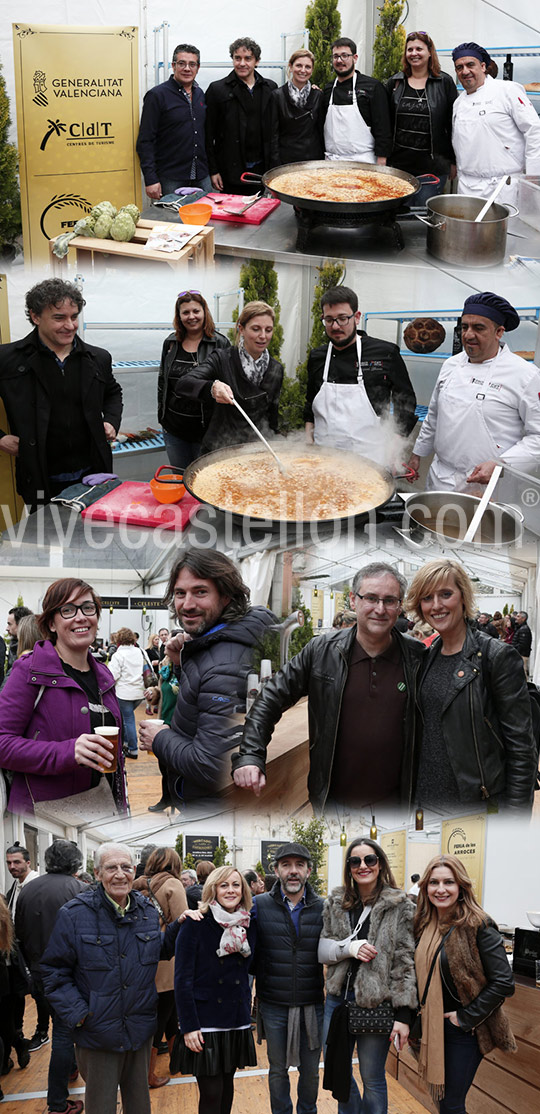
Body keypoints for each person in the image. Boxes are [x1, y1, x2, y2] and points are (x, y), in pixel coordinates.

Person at [232, 562, 425, 811]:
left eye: (390, 600)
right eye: (371, 598)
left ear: (399, 606)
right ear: (354, 601)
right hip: (333, 804)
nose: (380, 608)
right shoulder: (321, 651)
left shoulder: (417, 657)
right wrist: (250, 755)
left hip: (399, 805)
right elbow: (270, 696)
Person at [41, 842, 181, 1114]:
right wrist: (80, 1014)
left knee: (139, 1105)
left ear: (135, 870)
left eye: (126, 867)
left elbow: (158, 950)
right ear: (96, 873)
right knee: (101, 1107)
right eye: (111, 867)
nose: (120, 874)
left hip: (139, 1031)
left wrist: (180, 926)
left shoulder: (147, 913)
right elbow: (54, 972)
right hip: (97, 1033)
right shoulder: (74, 915)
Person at [139, 548, 275, 808]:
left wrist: (160, 739)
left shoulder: (224, 662)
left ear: (226, 596)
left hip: (208, 807)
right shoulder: (219, 641)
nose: (187, 604)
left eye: (200, 592)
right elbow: (201, 706)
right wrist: (182, 664)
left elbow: (211, 765)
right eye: (180, 593)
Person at [405, 559, 537, 811]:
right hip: (425, 803)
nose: (436, 605)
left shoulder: (495, 657)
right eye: (426, 598)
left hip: (474, 806)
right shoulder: (427, 656)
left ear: (463, 597)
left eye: (445, 594)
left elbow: (522, 749)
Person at [0, 578, 127, 818]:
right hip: (44, 819)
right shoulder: (29, 671)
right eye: (68, 610)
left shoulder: (104, 675)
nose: (81, 617)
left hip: (100, 810)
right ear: (51, 623)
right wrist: (69, 752)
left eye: (88, 608)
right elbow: (2, 742)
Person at [0, 279, 122, 508]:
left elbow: (113, 392)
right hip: (39, 477)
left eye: (74, 316)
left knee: (95, 536)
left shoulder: (98, 358)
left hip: (92, 474)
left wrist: (112, 421)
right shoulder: (7, 359)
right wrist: (0, 439)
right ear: (35, 317)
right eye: (59, 318)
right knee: (49, 537)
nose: (70, 325)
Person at [319, 837, 416, 1113]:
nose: (363, 865)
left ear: (380, 863)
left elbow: (405, 963)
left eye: (369, 859)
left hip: (377, 1003)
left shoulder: (400, 906)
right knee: (338, 1070)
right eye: (355, 861)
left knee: (372, 1078)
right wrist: (350, 949)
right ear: (349, 867)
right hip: (338, 1001)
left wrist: (403, 1015)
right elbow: (323, 950)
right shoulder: (337, 902)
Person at [413, 855, 516, 1113]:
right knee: (442, 1102)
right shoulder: (424, 924)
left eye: (449, 882)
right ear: (425, 887)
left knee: (451, 1105)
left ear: (461, 887)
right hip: (430, 1026)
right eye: (434, 882)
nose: (441, 889)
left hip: (464, 1031)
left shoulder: (477, 924)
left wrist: (465, 1017)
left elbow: (504, 982)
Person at [408, 292, 540, 491]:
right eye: (464, 327)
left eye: (478, 328)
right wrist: (417, 454)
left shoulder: (526, 376)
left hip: (491, 485)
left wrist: (501, 464)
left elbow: (537, 436)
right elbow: (434, 416)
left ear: (499, 332)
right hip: (441, 478)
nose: (468, 335)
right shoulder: (450, 365)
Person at [172, 866, 256, 1114]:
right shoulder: (196, 923)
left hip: (235, 1019)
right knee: (211, 1093)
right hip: (204, 1021)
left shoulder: (247, 923)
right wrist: (188, 1026)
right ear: (213, 889)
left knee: (227, 1088)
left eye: (236, 885)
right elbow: (182, 979)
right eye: (224, 885)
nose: (230, 890)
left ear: (243, 890)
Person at [304, 286, 417, 465]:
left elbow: (406, 404)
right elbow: (311, 404)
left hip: (370, 459)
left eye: (342, 319)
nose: (335, 326)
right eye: (329, 319)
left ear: (356, 317)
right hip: (323, 458)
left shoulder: (385, 353)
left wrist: (394, 451)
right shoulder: (317, 357)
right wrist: (308, 442)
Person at [252, 843, 324, 1114]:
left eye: (299, 865)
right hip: (273, 1004)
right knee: (277, 1070)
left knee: (310, 1071)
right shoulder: (258, 906)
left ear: (309, 870)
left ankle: (308, 1111)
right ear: (276, 870)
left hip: (312, 1003)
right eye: (286, 865)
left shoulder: (323, 908)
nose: (293, 871)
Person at [15, 840, 85, 1114]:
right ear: (76, 863)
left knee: (62, 1028)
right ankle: (57, 1103)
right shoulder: (79, 889)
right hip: (69, 976)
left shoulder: (28, 889)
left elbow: (19, 934)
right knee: (65, 1036)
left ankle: (70, 1071)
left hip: (40, 974)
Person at [175, 300, 283, 454]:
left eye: (268, 330)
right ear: (241, 329)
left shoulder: (276, 369)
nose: (263, 336)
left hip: (255, 451)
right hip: (218, 450)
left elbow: (272, 418)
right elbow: (184, 384)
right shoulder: (222, 359)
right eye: (256, 329)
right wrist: (212, 387)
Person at [451, 41, 540, 205]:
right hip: (467, 187)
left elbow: (534, 131)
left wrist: (533, 177)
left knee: (506, 231)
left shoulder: (507, 90)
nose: (465, 71)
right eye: (459, 67)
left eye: (470, 65)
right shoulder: (459, 103)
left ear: (483, 66)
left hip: (504, 188)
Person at [132, 847, 187, 1089]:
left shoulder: (136, 884)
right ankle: (147, 1074)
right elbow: (184, 924)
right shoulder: (173, 885)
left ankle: (179, 1060)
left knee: (169, 1014)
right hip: (167, 961)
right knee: (162, 1015)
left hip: (140, 957)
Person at [158, 290, 230, 470]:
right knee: (180, 481)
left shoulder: (219, 343)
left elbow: (229, 386)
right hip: (175, 431)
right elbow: (162, 382)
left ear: (204, 312)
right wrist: (163, 418)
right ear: (179, 316)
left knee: (205, 484)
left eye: (196, 311)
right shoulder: (171, 343)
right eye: (185, 312)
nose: (191, 316)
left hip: (206, 433)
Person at [386, 31, 457, 203]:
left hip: (433, 167)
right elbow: (386, 123)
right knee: (401, 216)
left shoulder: (444, 82)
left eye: (419, 48)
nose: (414, 53)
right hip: (400, 167)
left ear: (429, 52)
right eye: (409, 49)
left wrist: (453, 162)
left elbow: (453, 124)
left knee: (423, 218)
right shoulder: (395, 83)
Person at [136, 43, 210, 201]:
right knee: (172, 223)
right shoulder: (157, 95)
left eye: (192, 64)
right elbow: (145, 141)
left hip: (201, 175)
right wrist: (151, 179)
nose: (187, 68)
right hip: (171, 178)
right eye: (181, 63)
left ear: (198, 67)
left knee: (207, 220)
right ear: (173, 65)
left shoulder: (200, 95)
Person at [205, 36, 277, 194]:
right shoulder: (218, 90)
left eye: (248, 58)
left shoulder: (269, 88)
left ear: (256, 61)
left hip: (261, 169)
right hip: (230, 170)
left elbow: (274, 131)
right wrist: (213, 170)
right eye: (237, 58)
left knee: (261, 213)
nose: (242, 63)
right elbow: (208, 135)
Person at [321, 37, 392, 163]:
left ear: (355, 58)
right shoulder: (328, 89)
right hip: (332, 162)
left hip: (363, 161)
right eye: (335, 56)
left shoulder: (372, 87)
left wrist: (382, 159)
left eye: (345, 56)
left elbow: (383, 127)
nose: (339, 60)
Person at [268, 48, 323, 167]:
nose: (303, 70)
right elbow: (273, 134)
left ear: (312, 70)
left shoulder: (318, 96)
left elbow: (321, 131)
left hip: (312, 161)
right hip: (286, 160)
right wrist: (276, 163)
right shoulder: (277, 96)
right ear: (291, 67)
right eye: (299, 65)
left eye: (308, 67)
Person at [0, 896, 31, 1104]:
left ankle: (16, 1046)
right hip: (6, 981)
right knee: (5, 1026)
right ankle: (17, 1045)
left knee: (4, 1026)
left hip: (5, 980)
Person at [107, 627, 149, 760]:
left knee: (128, 720)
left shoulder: (118, 655)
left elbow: (112, 675)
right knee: (127, 719)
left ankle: (133, 749)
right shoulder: (140, 651)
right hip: (140, 693)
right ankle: (125, 743)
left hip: (124, 693)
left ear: (118, 640)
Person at [4, 606, 33, 678]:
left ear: (21, 625)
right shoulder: (13, 646)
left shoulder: (31, 650)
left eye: (10, 624)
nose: (6, 628)